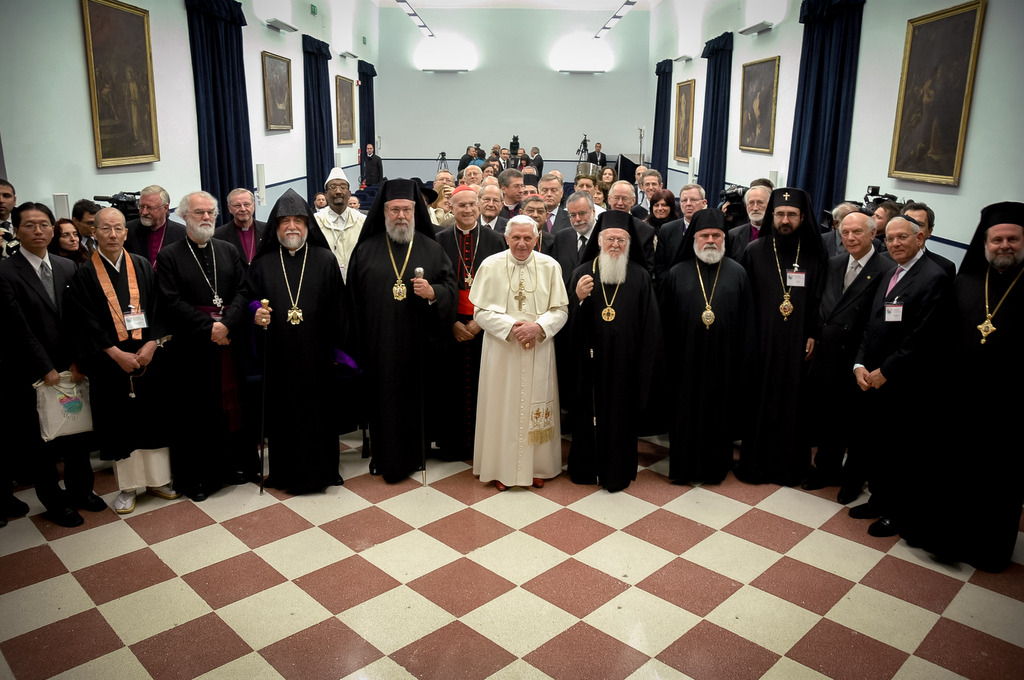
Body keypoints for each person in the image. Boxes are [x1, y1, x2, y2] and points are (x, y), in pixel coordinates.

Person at [913, 202, 1023, 571]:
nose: (1004, 245)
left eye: (1012, 239)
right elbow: (941, 337)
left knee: (998, 480)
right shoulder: (967, 281)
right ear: (985, 243)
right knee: (952, 471)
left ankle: (987, 549)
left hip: (1010, 406)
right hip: (959, 398)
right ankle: (945, 540)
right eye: (997, 239)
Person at [65, 207, 175, 514]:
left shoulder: (141, 265)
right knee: (120, 424)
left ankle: (159, 480)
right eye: (105, 229)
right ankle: (127, 487)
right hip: (110, 363)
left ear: (126, 233)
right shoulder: (84, 275)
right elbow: (84, 322)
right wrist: (115, 354)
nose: (112, 235)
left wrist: (153, 343)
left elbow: (158, 308)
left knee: (153, 419)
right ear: (94, 233)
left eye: (118, 229)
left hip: (148, 358)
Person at [347, 179, 456, 483]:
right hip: (378, 346)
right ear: (383, 212)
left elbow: (450, 288)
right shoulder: (365, 250)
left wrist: (432, 292)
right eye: (394, 210)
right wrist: (357, 345)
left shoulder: (431, 249)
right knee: (382, 402)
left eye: (406, 210)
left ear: (415, 211)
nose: (401, 216)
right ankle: (382, 458)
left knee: (415, 401)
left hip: (419, 346)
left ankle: (415, 454)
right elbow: (352, 300)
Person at [0, 202, 101, 527]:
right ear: (16, 230)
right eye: (29, 225)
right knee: (43, 441)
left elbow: (79, 319)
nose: (39, 230)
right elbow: (17, 328)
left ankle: (82, 492)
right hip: (32, 371)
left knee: (76, 433)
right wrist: (45, 368)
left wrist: (78, 359)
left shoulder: (66, 266)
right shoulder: (5, 272)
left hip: (71, 368)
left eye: (44, 224)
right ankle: (55, 502)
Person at [851, 216, 951, 538]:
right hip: (875, 377)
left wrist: (887, 371)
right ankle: (879, 500)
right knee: (877, 445)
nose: (894, 244)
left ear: (920, 238)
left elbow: (923, 338)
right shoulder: (889, 271)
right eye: (890, 238)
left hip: (906, 383)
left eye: (902, 238)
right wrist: (860, 364)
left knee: (900, 452)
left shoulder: (932, 277)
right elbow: (873, 323)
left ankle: (896, 512)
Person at [250, 189, 349, 493]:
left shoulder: (324, 259)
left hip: (317, 355)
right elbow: (250, 299)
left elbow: (340, 307)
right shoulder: (264, 262)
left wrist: (337, 350)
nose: (292, 227)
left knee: (320, 414)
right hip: (279, 354)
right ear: (275, 227)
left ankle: (326, 471)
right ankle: (284, 474)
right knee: (284, 417)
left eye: (298, 221)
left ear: (308, 225)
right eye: (284, 221)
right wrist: (257, 313)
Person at [157, 191, 252, 501]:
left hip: (228, 341)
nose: (207, 217)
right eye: (199, 212)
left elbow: (243, 290)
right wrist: (209, 328)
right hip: (192, 348)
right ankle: (198, 478)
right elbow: (170, 302)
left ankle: (229, 467)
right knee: (197, 413)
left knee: (228, 409)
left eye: (210, 212)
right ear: (184, 216)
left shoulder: (226, 249)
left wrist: (227, 324)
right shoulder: (170, 256)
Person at [566, 211, 663, 492]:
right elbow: (565, 323)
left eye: (621, 240)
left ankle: (618, 471)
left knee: (622, 420)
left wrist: (644, 368)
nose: (615, 245)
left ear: (629, 243)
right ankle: (586, 469)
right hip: (589, 364)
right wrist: (578, 299)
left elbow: (650, 327)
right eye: (610, 239)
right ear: (599, 240)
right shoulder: (581, 274)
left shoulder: (641, 277)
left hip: (626, 366)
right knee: (588, 417)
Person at [470, 216, 569, 490]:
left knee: (536, 406)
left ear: (537, 239)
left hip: (539, 346)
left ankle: (537, 468)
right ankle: (501, 469)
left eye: (528, 238)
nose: (522, 244)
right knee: (502, 407)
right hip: (502, 349)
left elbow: (561, 310)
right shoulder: (490, 265)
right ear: (506, 238)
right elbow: (481, 312)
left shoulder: (550, 266)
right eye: (516, 238)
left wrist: (537, 326)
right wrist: (513, 327)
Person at [738, 187, 827, 486]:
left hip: (799, 341)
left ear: (803, 217)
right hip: (762, 341)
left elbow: (821, 299)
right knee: (759, 401)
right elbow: (744, 298)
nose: (785, 220)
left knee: (794, 404)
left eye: (791, 214)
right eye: (779, 214)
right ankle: (756, 465)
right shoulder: (754, 251)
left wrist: (814, 332)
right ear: (771, 216)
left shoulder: (815, 254)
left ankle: (789, 468)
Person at [658, 209, 754, 484]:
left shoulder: (738, 273)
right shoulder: (676, 273)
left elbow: (747, 322)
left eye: (716, 235)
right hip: (684, 364)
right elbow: (664, 322)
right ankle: (683, 470)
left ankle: (715, 469)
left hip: (725, 364)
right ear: (694, 239)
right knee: (684, 417)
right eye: (704, 236)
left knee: (718, 417)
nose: (710, 240)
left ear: (724, 239)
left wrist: (744, 362)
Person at [803, 211, 890, 503]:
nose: (851, 238)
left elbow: (877, 320)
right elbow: (822, 304)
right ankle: (824, 468)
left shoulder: (886, 269)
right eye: (846, 233)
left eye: (858, 233)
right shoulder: (835, 262)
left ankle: (852, 480)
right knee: (828, 416)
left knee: (856, 424)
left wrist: (863, 359)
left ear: (873, 234)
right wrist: (815, 333)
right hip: (828, 354)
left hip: (859, 357)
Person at [435, 187, 507, 461]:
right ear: (450, 208)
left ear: (478, 206)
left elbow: (504, 285)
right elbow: (437, 284)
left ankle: (484, 444)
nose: (466, 210)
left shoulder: (496, 240)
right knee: (450, 387)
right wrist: (452, 322)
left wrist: (479, 322)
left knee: (485, 387)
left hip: (484, 325)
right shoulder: (439, 240)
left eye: (471, 204)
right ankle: (451, 444)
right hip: (450, 325)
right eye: (460, 205)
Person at [314, 168, 367, 281]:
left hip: (356, 283)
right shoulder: (315, 222)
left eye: (343, 187)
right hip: (326, 283)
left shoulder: (362, 221)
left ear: (349, 194)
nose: (338, 191)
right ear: (326, 194)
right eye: (333, 187)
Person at [126, 185, 186, 270]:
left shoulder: (181, 233)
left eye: (150, 208)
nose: (144, 212)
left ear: (165, 208)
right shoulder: (128, 230)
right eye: (141, 206)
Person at [901, 201, 957, 278]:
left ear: (929, 231)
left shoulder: (944, 267)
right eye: (907, 223)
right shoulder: (884, 261)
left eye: (919, 225)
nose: (912, 229)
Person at [214, 188, 265, 269]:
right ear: (229, 208)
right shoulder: (218, 235)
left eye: (246, 204)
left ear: (253, 205)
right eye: (237, 205)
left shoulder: (267, 230)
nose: (243, 209)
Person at [726, 186, 771, 261]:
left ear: (769, 205)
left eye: (760, 203)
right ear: (746, 206)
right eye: (751, 203)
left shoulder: (778, 235)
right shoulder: (732, 236)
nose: (755, 208)